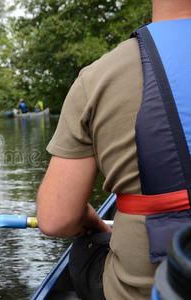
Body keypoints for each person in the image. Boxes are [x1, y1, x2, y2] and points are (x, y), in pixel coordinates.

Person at [36, 1, 191, 300]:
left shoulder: (98, 78)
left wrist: (86, 217)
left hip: (142, 291)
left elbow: (56, 220)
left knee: (86, 247)